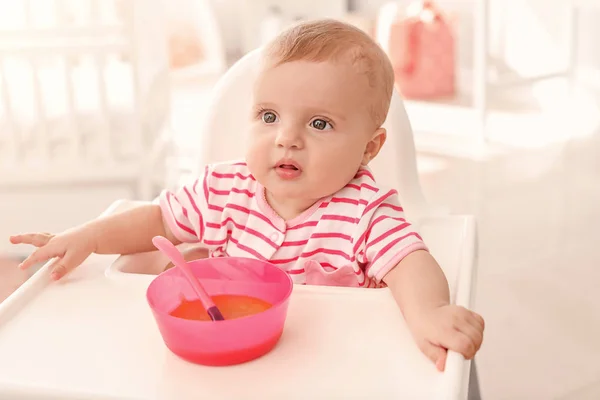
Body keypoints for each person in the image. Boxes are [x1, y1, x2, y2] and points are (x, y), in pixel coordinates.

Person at [9, 19, 483, 372]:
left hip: (329, 369)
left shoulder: (364, 212)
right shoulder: (223, 190)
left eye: (319, 124)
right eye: (269, 116)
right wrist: (90, 236)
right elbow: (156, 221)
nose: (286, 138)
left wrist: (430, 313)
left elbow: (409, 262)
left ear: (370, 148)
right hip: (230, 366)